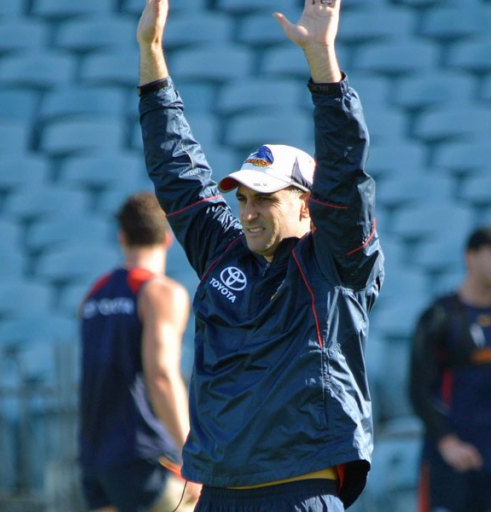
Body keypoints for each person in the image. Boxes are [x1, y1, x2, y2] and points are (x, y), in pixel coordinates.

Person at [135, 0, 382, 509]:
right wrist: (151, 52)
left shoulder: (336, 264)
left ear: (307, 205)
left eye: (265, 199)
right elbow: (176, 170)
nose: (248, 213)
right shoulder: (223, 252)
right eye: (243, 199)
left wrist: (322, 62)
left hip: (298, 495)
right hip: (218, 495)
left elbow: (344, 173)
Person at [78, 192, 200, 512]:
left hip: (95, 463)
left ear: (122, 237)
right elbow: (161, 375)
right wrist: (191, 452)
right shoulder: (160, 293)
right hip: (143, 459)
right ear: (167, 238)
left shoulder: (92, 296)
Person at [409, 226, 491, 512]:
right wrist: (447, 442)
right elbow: (418, 389)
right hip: (453, 459)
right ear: (470, 257)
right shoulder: (440, 316)